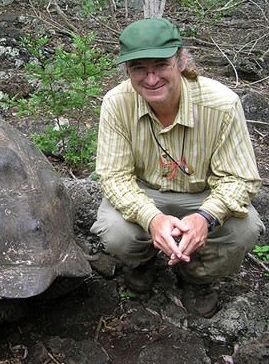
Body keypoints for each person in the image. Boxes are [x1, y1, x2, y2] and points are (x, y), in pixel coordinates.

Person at [90, 18, 265, 318]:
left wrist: (205, 218)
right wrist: (152, 218)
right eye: (138, 69)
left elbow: (239, 177)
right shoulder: (117, 104)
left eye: (160, 65)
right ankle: (143, 262)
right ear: (127, 71)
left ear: (182, 61)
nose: (151, 78)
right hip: (145, 192)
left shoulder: (222, 104)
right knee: (116, 231)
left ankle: (196, 276)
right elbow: (114, 176)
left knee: (245, 229)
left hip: (203, 194)